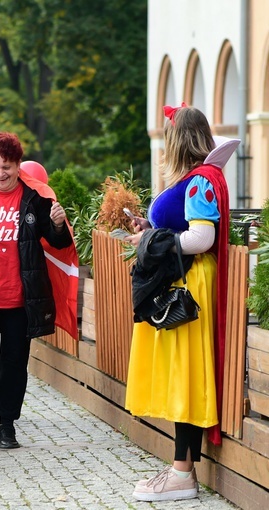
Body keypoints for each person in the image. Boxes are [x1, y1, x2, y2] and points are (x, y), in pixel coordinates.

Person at [125, 105, 231, 502]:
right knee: (179, 373)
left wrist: (153, 241)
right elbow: (182, 230)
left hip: (191, 286)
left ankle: (183, 474)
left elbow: (201, 238)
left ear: (176, 139)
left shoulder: (200, 181)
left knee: (185, 375)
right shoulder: (194, 179)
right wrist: (150, 230)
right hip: (182, 281)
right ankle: (179, 468)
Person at [0, 131, 72, 449]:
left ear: (18, 166)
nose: (0, 174)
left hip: (20, 299)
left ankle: (7, 424)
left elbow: (58, 241)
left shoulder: (34, 197)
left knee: (14, 363)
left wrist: (59, 224)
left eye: (6, 167)